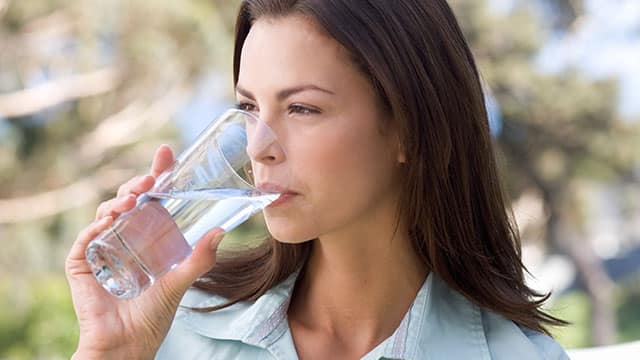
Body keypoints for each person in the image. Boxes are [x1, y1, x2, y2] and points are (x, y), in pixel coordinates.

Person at [66, 0, 571, 359]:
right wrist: (115, 352)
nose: (259, 146)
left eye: (303, 108)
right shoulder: (179, 328)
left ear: (410, 130)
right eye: (248, 107)